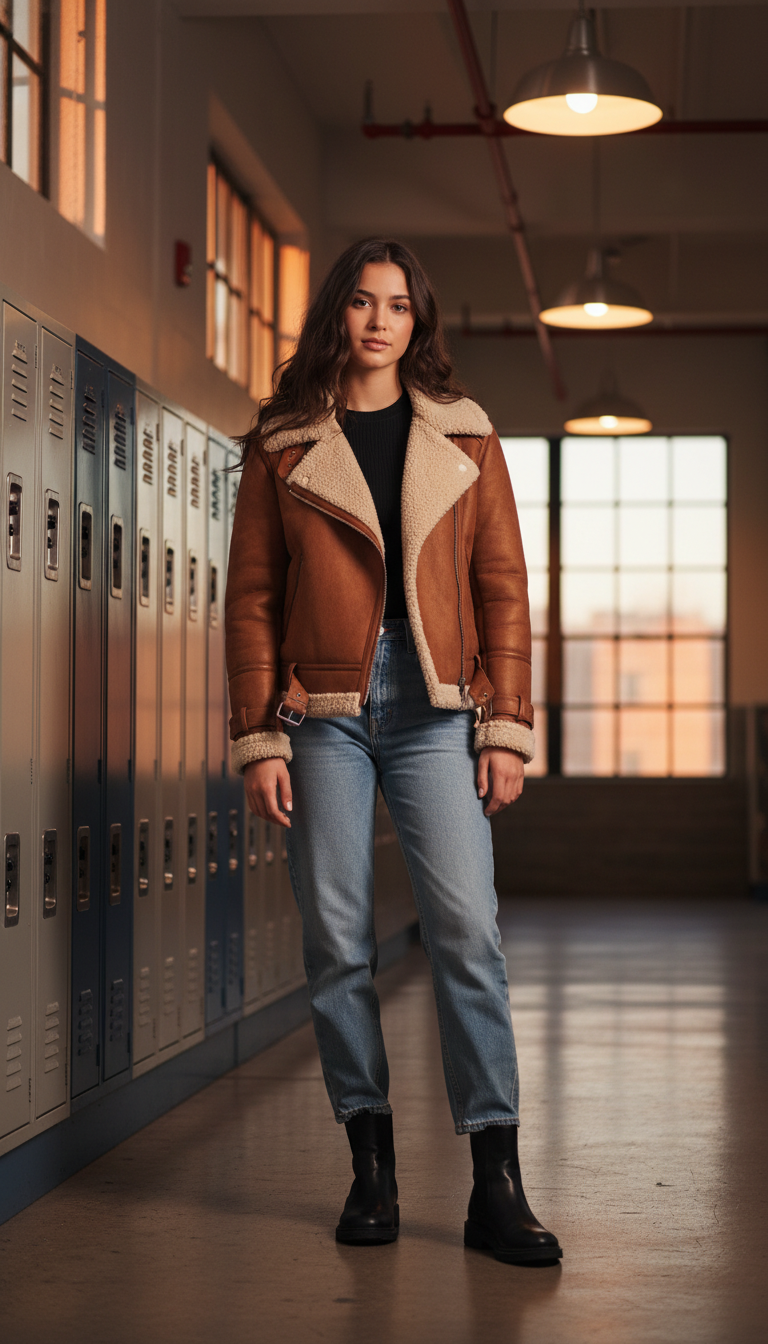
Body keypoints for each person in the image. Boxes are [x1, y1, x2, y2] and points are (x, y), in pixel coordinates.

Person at [225, 237, 562, 1266]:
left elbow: (503, 586)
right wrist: (257, 739)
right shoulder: (282, 442)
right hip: (320, 714)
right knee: (336, 942)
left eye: (399, 306)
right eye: (364, 303)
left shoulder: (467, 437)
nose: (380, 321)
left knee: (468, 933)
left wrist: (506, 730)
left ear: (420, 323)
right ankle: (370, 1165)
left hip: (436, 714)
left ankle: (495, 1184)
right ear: (339, 313)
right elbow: (250, 599)